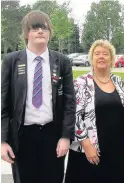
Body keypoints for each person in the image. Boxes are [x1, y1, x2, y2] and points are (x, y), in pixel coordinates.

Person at [1, 10, 75, 183]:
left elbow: (69, 102)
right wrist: (3, 141)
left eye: (44, 28)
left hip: (53, 136)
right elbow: (3, 103)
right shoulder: (11, 61)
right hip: (22, 137)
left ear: (50, 33)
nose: (40, 31)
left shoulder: (62, 61)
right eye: (35, 28)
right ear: (26, 33)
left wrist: (65, 136)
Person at [65, 39, 124, 183]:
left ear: (112, 59)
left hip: (115, 150)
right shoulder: (81, 83)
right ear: (91, 58)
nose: (101, 57)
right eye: (97, 54)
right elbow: (74, 116)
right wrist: (87, 145)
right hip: (89, 151)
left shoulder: (119, 82)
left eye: (105, 54)